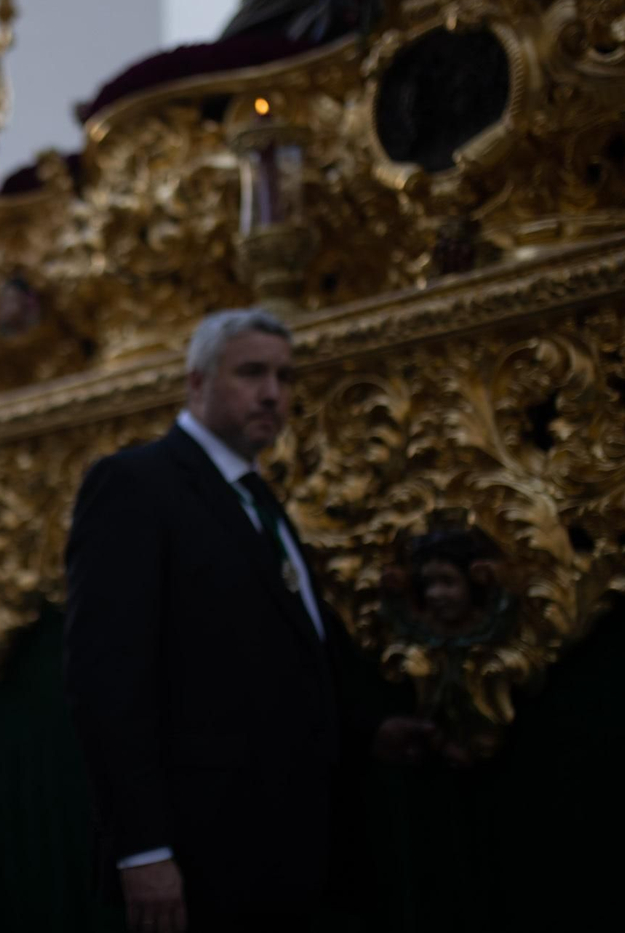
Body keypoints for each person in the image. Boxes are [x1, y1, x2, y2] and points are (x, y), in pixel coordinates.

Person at [63, 308, 438, 931]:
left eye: (285, 377)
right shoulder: (135, 485)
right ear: (197, 382)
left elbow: (287, 649)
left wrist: (371, 729)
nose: (272, 393)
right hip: (206, 856)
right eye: (251, 373)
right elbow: (107, 683)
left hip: (300, 846)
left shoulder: (255, 495)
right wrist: (143, 849)